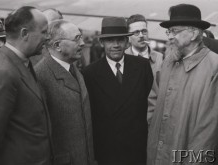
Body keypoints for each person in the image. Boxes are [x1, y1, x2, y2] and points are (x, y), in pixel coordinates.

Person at [0, 6, 53, 165]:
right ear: (25, 34)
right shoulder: (2, 73)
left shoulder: (20, 62)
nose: (48, 37)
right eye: (44, 32)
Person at [147, 4, 218, 165]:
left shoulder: (214, 67)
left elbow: (207, 134)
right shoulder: (167, 62)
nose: (169, 36)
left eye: (174, 31)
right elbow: (153, 105)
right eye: (169, 31)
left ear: (193, 33)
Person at [83, 17, 153, 165]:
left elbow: (151, 104)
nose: (115, 45)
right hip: (107, 151)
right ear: (102, 43)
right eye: (110, 40)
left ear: (127, 42)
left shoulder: (142, 66)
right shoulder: (89, 73)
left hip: (138, 148)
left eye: (120, 40)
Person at [35, 20, 97, 165]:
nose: (82, 43)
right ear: (57, 46)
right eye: (76, 39)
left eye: (81, 37)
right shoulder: (41, 75)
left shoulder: (73, 68)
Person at [125, 14, 164, 124]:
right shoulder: (123, 59)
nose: (141, 35)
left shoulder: (160, 59)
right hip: (130, 123)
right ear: (128, 37)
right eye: (136, 32)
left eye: (144, 31)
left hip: (155, 122)